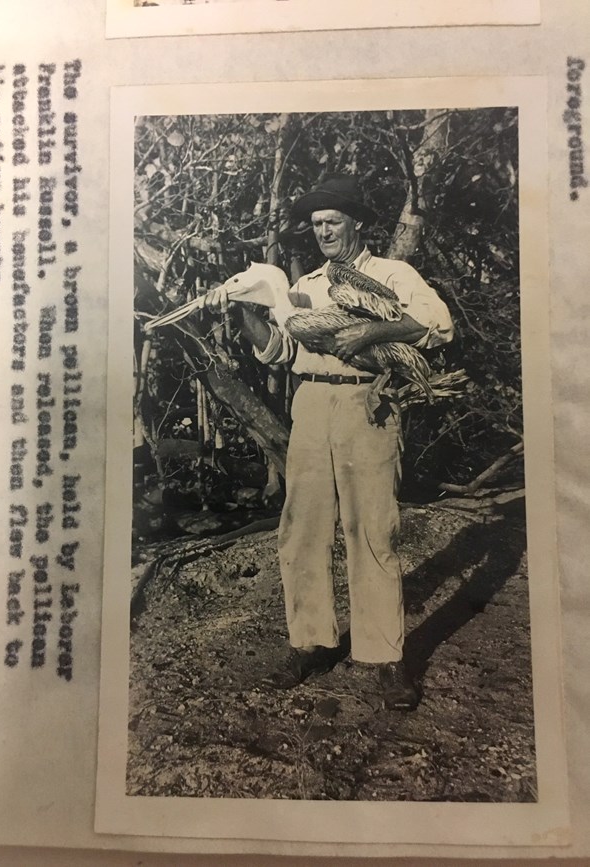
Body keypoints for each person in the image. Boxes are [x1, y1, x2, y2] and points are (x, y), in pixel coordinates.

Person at [205, 174, 454, 710]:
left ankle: (385, 657)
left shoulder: (391, 274)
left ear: (356, 223)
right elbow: (281, 352)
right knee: (301, 529)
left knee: (373, 530)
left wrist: (371, 333)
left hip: (368, 403)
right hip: (311, 406)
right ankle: (311, 642)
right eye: (317, 225)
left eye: (332, 223)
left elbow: (438, 324)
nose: (323, 233)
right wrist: (244, 310)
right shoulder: (307, 285)